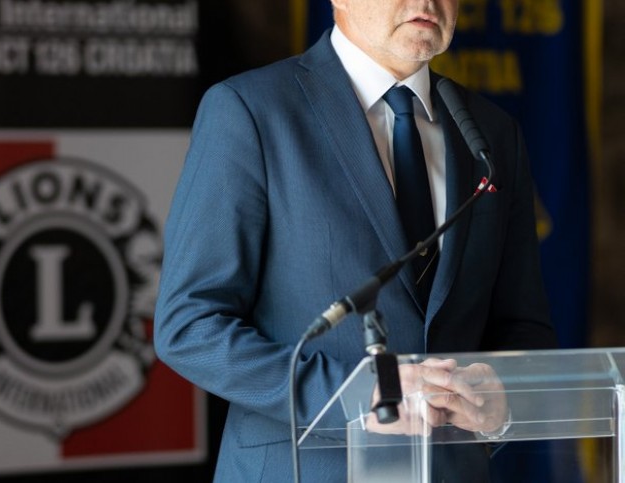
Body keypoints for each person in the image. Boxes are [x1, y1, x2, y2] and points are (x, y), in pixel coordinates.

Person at [153, 0, 558, 481]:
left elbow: (523, 327)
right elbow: (189, 325)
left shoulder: (494, 133)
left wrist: (502, 397)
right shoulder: (251, 110)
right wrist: (357, 394)